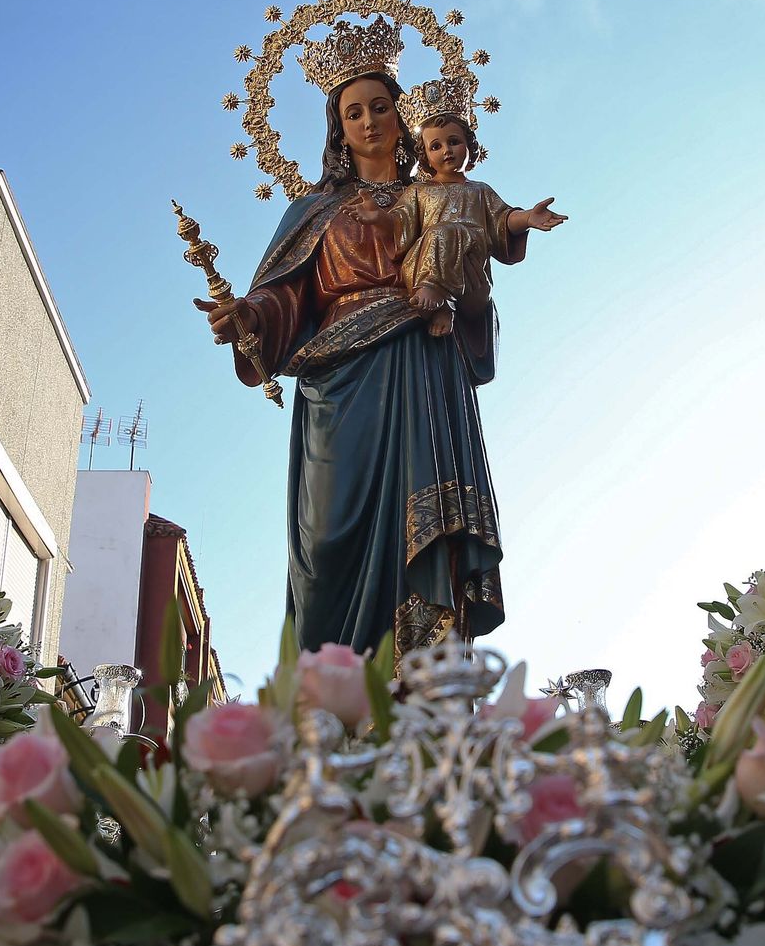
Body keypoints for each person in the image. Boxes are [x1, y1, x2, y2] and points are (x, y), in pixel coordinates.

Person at [196, 50, 530, 662]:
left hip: (425, 364)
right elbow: (282, 296)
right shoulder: (315, 210)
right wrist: (249, 315)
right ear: (338, 129)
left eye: (381, 107)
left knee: (424, 525)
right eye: (354, 113)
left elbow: (474, 284)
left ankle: (423, 689)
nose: (370, 121)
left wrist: (469, 279)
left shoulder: (440, 197)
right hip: (341, 378)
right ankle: (329, 692)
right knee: (325, 541)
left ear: (405, 118)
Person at [347, 93, 565, 337]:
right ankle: (442, 301)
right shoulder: (419, 190)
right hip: (426, 262)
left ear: (470, 147)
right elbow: (401, 224)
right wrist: (379, 217)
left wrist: (527, 219)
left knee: (452, 231)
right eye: (436, 146)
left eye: (453, 141)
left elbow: (501, 220)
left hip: (470, 263)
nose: (447, 151)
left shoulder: (480, 190)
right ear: (426, 156)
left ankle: (444, 298)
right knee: (443, 232)